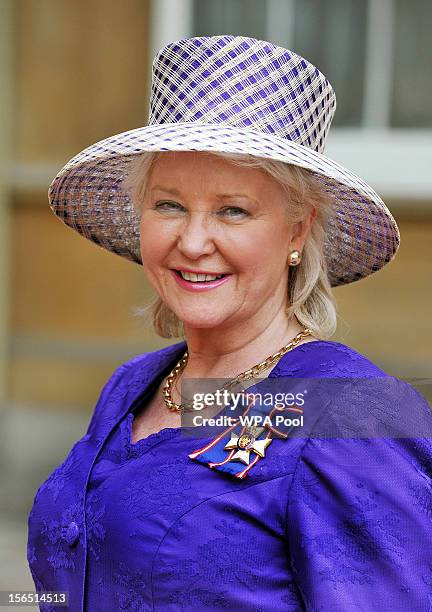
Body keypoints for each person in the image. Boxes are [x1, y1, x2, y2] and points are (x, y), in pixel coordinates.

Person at [27, 36, 432, 611]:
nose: (192, 242)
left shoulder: (349, 413)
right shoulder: (132, 386)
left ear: (296, 231)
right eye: (169, 205)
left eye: (233, 210)